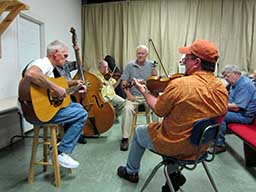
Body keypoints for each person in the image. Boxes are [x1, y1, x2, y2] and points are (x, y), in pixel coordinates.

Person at [117, 39, 228, 191]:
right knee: (179, 129)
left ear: (196, 62)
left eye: (186, 58)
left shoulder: (181, 85)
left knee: (140, 131)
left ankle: (131, 172)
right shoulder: (221, 88)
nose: (184, 61)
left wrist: (144, 91)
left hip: (176, 145)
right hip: (201, 146)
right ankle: (173, 175)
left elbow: (159, 110)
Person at [19, 40, 88, 169]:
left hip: (40, 110)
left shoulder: (51, 68)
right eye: (65, 55)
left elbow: (57, 85)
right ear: (56, 54)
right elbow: (31, 73)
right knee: (82, 114)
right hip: (37, 113)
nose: (66, 59)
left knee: (78, 107)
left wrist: (75, 84)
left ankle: (57, 147)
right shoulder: (43, 63)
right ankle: (61, 152)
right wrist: (55, 88)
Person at [119, 45, 157, 151]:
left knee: (157, 108)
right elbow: (123, 83)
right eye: (138, 53)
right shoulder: (130, 66)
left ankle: (156, 135)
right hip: (133, 96)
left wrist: (155, 76)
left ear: (146, 55)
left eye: (142, 53)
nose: (140, 55)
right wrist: (128, 94)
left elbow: (154, 83)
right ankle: (125, 138)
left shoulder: (151, 65)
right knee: (127, 109)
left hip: (147, 95)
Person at [215, 65, 256, 154]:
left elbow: (237, 107)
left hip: (245, 116)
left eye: (227, 76)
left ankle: (219, 144)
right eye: (224, 76)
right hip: (237, 112)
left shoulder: (245, 85)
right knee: (214, 111)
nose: (225, 79)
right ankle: (214, 140)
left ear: (235, 73)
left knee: (219, 115)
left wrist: (219, 104)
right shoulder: (235, 83)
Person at [54, 60, 87, 144]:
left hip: (69, 92)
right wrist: (74, 82)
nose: (66, 59)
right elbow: (57, 84)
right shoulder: (52, 69)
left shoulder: (65, 65)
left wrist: (77, 52)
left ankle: (73, 133)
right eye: (64, 55)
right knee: (78, 110)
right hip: (58, 97)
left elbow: (79, 64)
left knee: (80, 106)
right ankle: (67, 136)